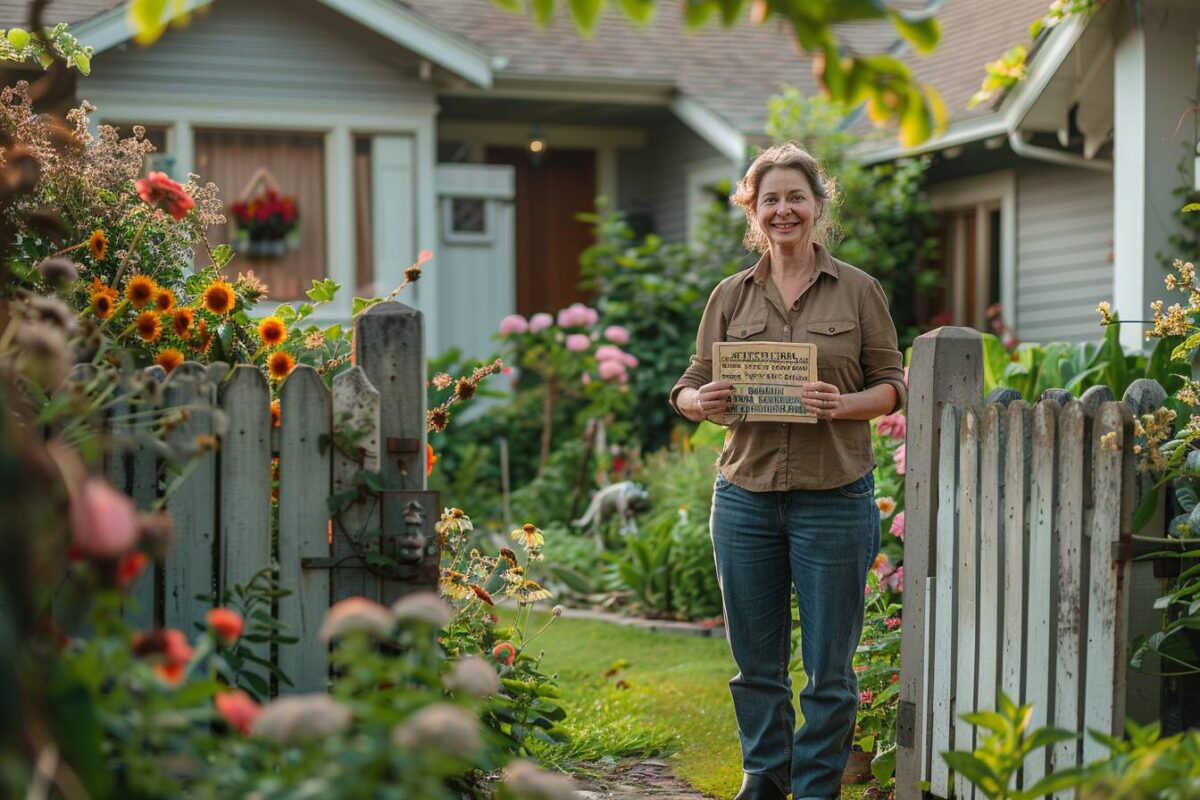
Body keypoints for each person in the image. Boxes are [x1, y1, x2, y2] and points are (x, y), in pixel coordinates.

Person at [669, 142, 906, 800]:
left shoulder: (859, 291)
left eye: (795, 197)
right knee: (756, 667)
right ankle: (764, 781)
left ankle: (816, 788)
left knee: (829, 670)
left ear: (817, 206)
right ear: (753, 210)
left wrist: (843, 404)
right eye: (769, 198)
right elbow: (690, 384)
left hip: (834, 499)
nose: (784, 210)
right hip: (744, 499)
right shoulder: (730, 296)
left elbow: (893, 384)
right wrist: (699, 402)